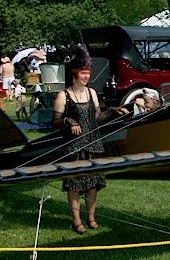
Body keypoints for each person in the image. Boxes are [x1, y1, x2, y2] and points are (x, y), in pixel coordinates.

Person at [52, 45, 126, 234]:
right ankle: (76, 221)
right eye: (83, 73)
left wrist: (113, 111)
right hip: (74, 147)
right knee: (75, 185)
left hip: (94, 144)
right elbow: (56, 122)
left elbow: (97, 117)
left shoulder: (92, 93)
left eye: (88, 73)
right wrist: (69, 120)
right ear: (74, 73)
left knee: (92, 185)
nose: (87, 76)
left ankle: (91, 218)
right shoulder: (64, 96)